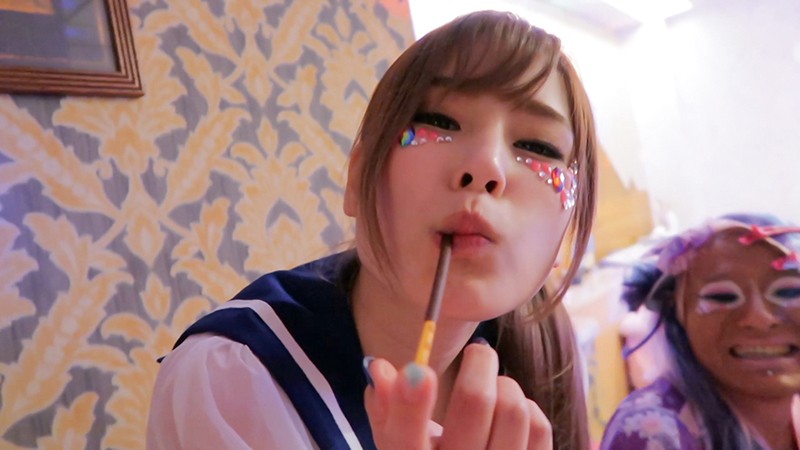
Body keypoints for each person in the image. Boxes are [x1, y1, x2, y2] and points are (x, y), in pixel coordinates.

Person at [147, 10, 599, 450]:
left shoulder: (542, 358)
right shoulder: (236, 379)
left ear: (567, 231)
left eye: (537, 146)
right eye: (440, 122)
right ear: (359, 177)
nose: (486, 167)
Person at [600, 213, 800, 450]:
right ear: (678, 314)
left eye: (790, 292)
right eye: (723, 296)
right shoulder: (654, 432)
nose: (760, 318)